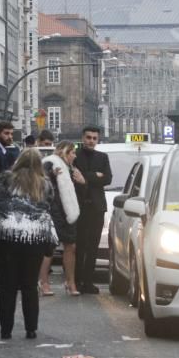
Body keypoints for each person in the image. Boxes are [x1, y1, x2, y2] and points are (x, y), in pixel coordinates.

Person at [0, 149, 59, 339]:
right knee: (29, 284)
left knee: (8, 285)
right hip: (33, 237)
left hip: (7, 236)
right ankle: (31, 328)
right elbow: (47, 206)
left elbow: (0, 203)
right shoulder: (44, 184)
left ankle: (6, 329)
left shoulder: (6, 178)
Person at [72, 126, 111, 294]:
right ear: (83, 137)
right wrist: (96, 176)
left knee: (93, 246)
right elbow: (73, 176)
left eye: (94, 138)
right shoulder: (75, 156)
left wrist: (85, 177)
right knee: (79, 245)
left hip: (96, 208)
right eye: (88, 137)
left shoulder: (102, 157)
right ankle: (76, 280)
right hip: (79, 207)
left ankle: (88, 281)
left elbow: (108, 178)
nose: (91, 141)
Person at [39, 141, 81, 296]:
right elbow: (40, 180)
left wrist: (82, 181)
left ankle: (71, 282)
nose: (74, 156)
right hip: (52, 210)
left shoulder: (70, 168)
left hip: (68, 211)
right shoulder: (50, 162)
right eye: (72, 153)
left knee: (71, 247)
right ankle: (44, 282)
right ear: (64, 152)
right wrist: (50, 175)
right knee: (49, 248)